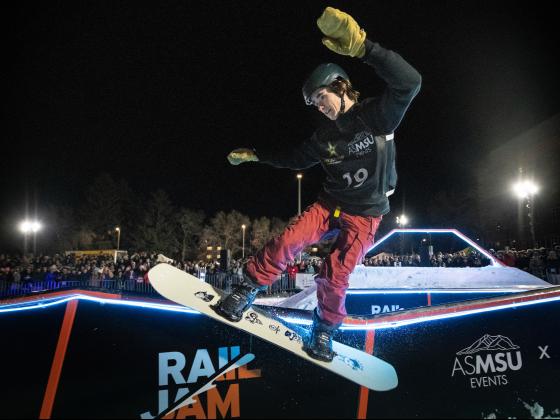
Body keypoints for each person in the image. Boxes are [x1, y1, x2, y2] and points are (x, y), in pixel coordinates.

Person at [215, 6, 421, 362]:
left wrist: (364, 48)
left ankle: (324, 330)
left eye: (321, 98)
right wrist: (258, 155)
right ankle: (246, 288)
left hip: (365, 214)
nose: (319, 108)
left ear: (339, 86)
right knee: (288, 241)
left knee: (335, 274)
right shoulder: (324, 135)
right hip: (330, 204)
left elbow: (410, 82)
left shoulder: (377, 115)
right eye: (313, 104)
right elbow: (295, 158)